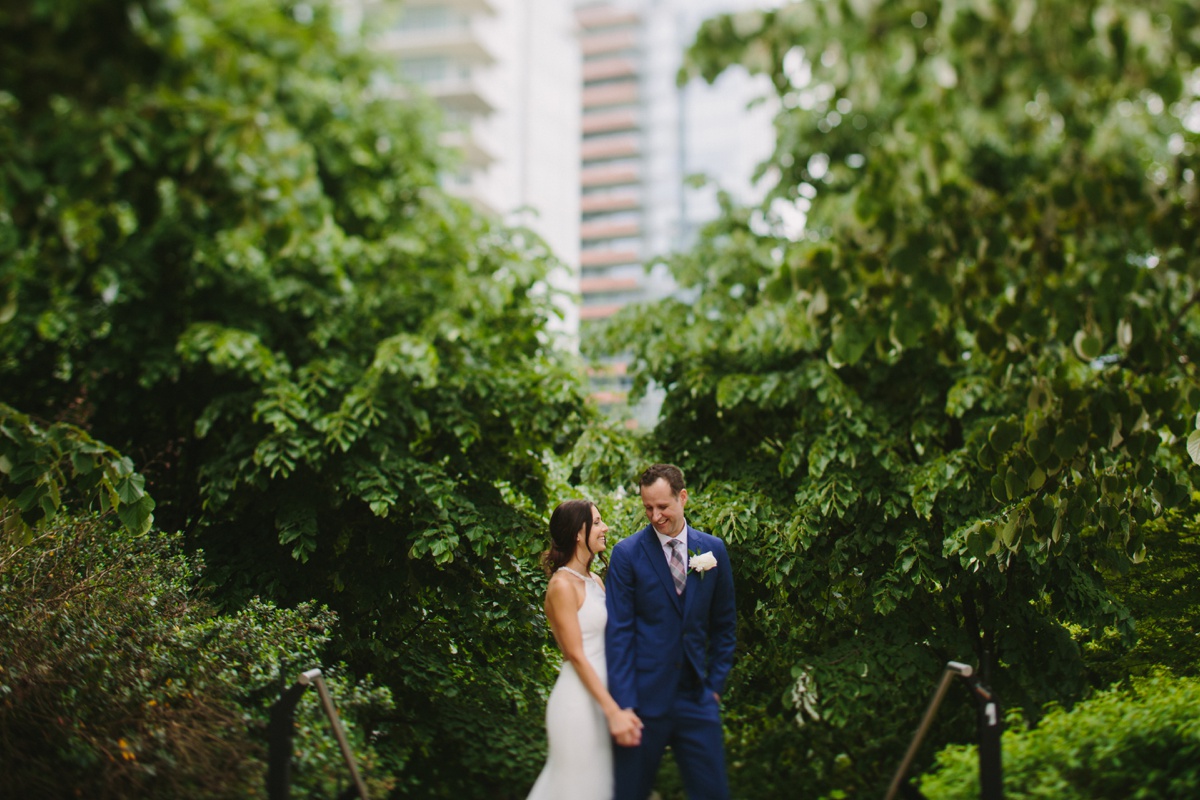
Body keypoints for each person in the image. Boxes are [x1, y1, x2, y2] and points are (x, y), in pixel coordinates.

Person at [605, 464, 737, 800]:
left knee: (713, 794)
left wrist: (715, 687)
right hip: (643, 702)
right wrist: (624, 706)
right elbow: (618, 633)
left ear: (682, 497)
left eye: (663, 507)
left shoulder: (712, 551)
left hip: (697, 698)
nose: (655, 516)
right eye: (648, 507)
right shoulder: (627, 555)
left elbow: (724, 625)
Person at [528, 499, 644, 800]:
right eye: (597, 521)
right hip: (579, 705)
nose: (604, 528)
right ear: (579, 533)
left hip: (603, 702)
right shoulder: (561, 586)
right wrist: (613, 711)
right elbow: (576, 655)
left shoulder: (594, 581)